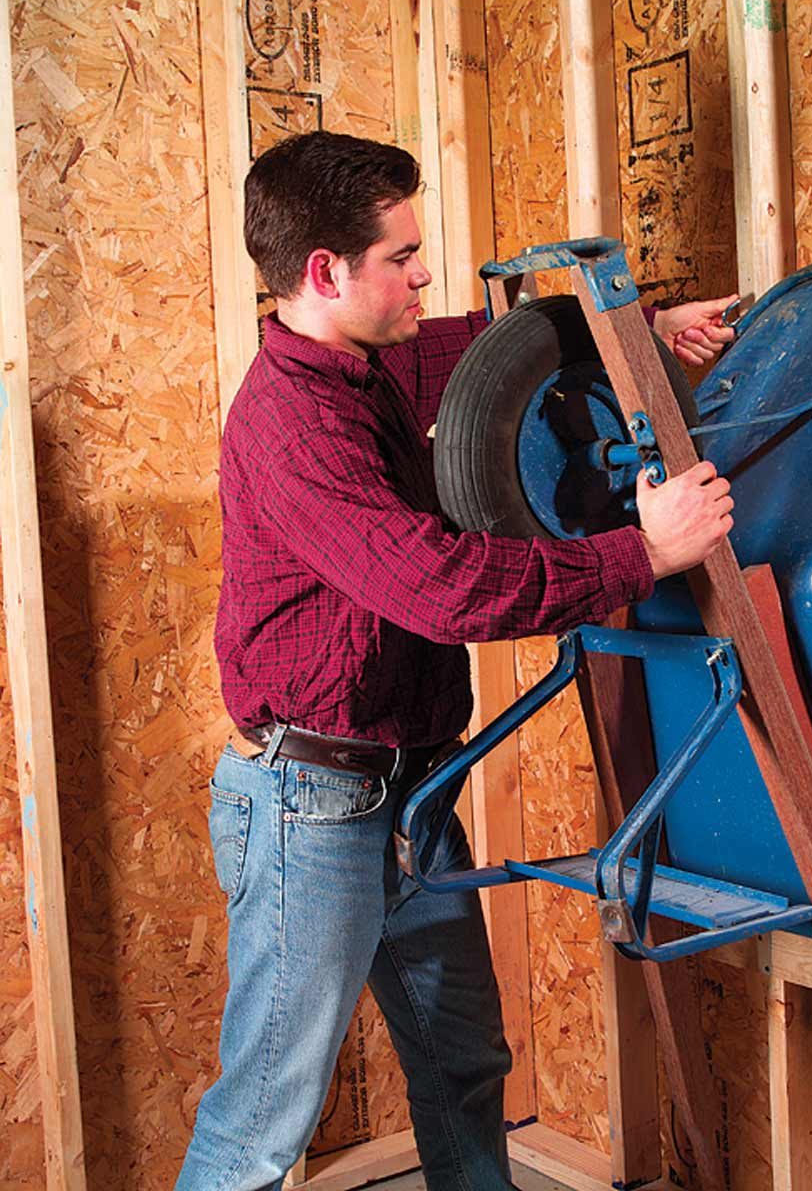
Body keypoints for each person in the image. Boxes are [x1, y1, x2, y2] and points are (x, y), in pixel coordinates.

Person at [176, 130, 735, 1191]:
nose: (423, 273)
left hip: (409, 793)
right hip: (310, 809)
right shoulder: (294, 423)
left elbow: (489, 357)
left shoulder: (367, 363)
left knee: (463, 1067)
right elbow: (439, 590)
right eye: (403, 257)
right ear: (324, 273)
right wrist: (644, 550)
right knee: (262, 1123)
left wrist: (642, 334)